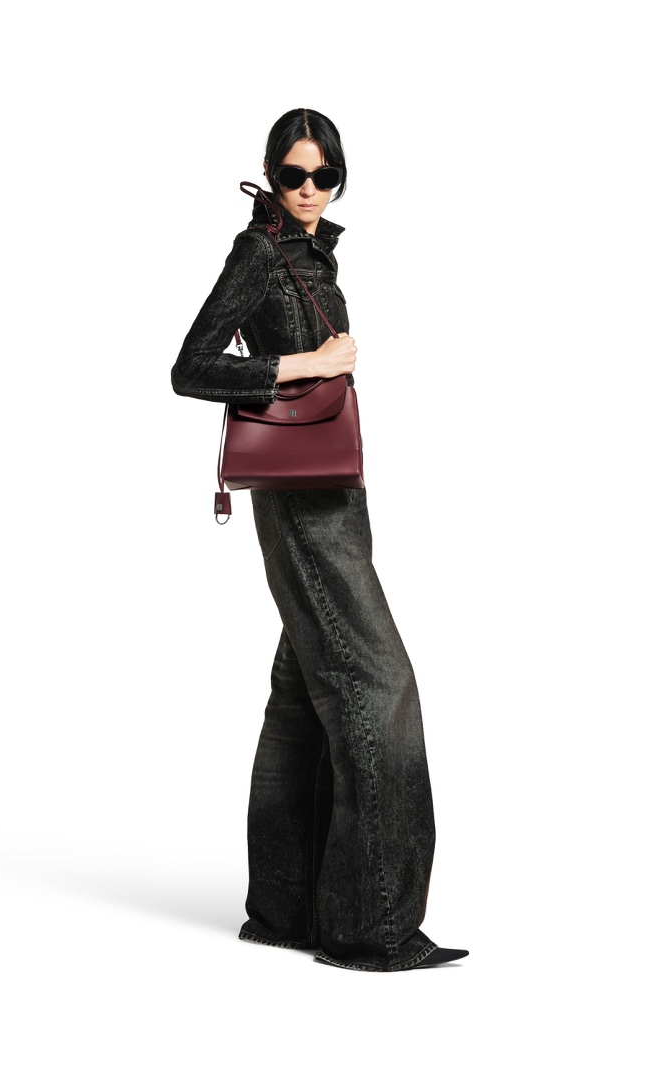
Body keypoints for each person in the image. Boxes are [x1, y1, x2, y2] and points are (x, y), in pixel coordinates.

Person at [171, 108, 466, 971]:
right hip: (302, 505)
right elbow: (190, 367)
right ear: (270, 173)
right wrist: (308, 364)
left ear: (339, 178)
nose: (308, 190)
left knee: (304, 695)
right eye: (293, 175)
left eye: (323, 176)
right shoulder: (260, 251)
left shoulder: (311, 253)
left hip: (336, 494)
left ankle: (288, 911)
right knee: (380, 687)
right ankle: (373, 930)